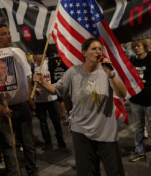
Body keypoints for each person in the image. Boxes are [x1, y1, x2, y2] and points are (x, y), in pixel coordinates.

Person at [33, 38, 127, 176]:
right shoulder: (73, 72)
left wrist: (111, 75)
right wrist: (42, 82)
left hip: (105, 131)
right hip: (81, 131)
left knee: (114, 171)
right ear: (84, 53)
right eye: (94, 49)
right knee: (87, 172)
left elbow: (122, 93)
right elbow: (57, 90)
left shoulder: (106, 71)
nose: (98, 51)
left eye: (100, 49)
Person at [0, 23, 38, 176]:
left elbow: (28, 75)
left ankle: (33, 171)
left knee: (29, 144)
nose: (8, 36)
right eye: (3, 34)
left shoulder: (19, 52)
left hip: (23, 106)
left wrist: (29, 97)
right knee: (9, 146)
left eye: (8, 33)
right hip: (5, 110)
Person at [128, 40, 151, 163]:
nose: (136, 48)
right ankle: (139, 151)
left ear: (145, 46)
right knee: (139, 127)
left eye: (138, 45)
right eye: (134, 46)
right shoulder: (132, 59)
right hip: (136, 99)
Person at [32, 53, 66, 150]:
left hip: (52, 98)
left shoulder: (49, 63)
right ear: (35, 55)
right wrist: (34, 90)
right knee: (43, 123)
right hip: (39, 100)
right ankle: (48, 142)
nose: (42, 55)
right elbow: (29, 82)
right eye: (39, 54)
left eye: (43, 53)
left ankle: (60, 141)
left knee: (56, 121)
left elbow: (56, 75)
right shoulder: (32, 67)